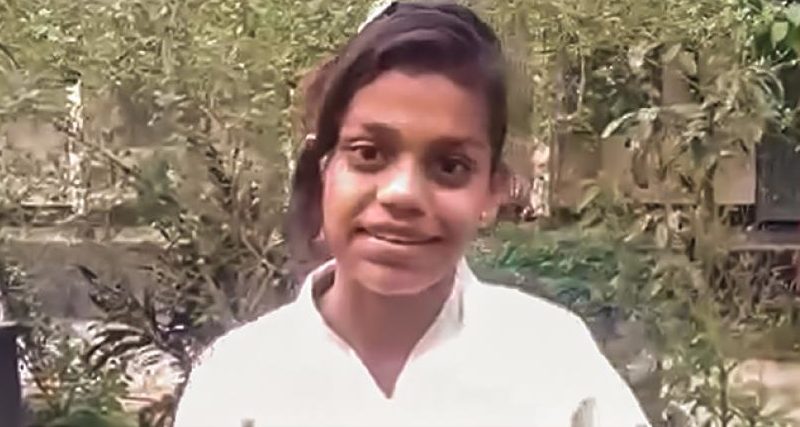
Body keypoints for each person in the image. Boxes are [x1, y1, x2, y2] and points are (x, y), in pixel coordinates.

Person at [173, 2, 651, 426]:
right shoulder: (238, 378)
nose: (402, 194)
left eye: (449, 166)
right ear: (325, 173)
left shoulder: (552, 359)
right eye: (368, 153)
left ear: (492, 191)